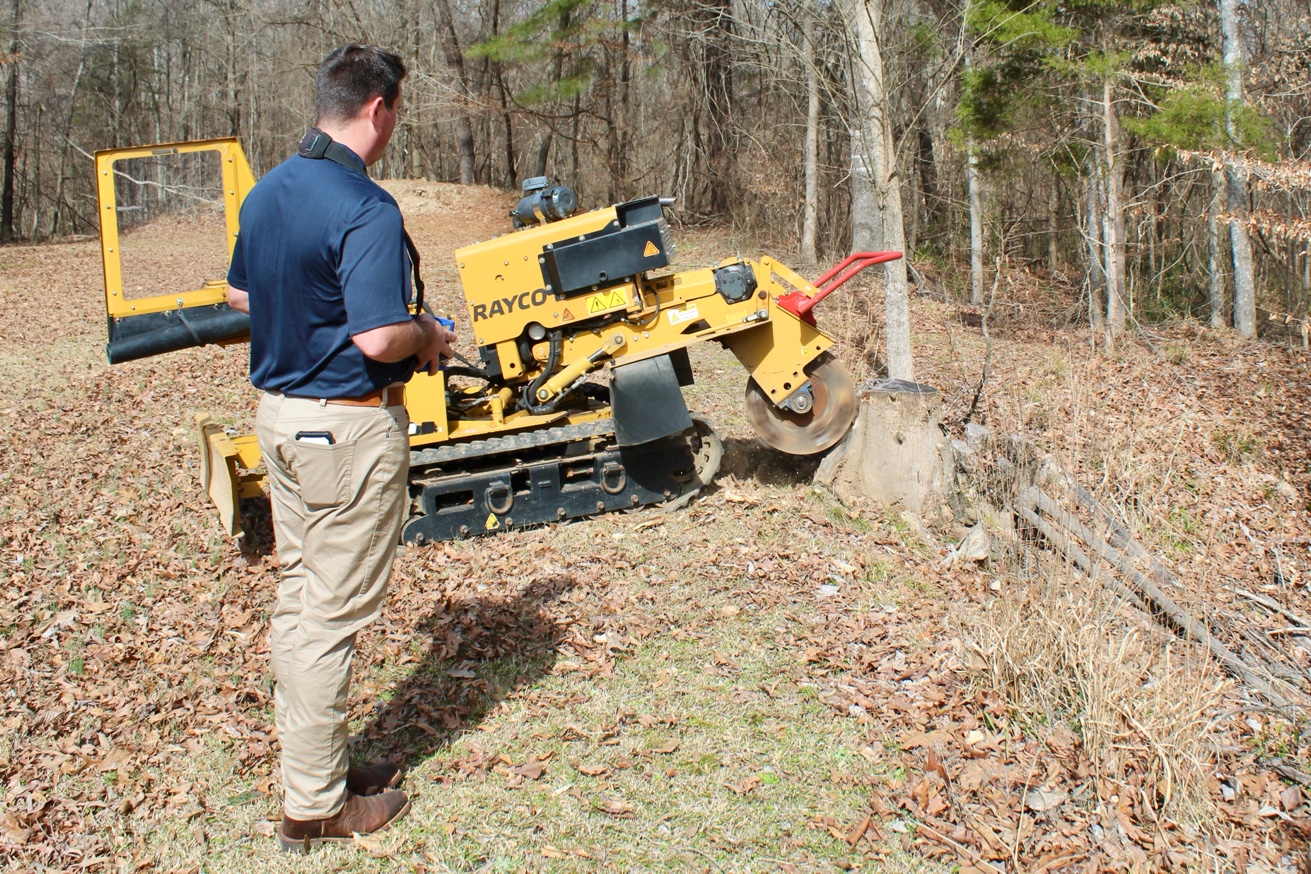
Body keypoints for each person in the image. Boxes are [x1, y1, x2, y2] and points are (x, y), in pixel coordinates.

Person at [225, 43, 454, 853]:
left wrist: (307, 315)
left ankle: (316, 768)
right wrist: (428, 331)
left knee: (302, 599)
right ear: (378, 108)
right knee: (326, 618)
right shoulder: (365, 206)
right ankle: (316, 806)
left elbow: (240, 293)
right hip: (344, 432)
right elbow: (381, 337)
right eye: (397, 113)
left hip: (280, 422)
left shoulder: (268, 191)